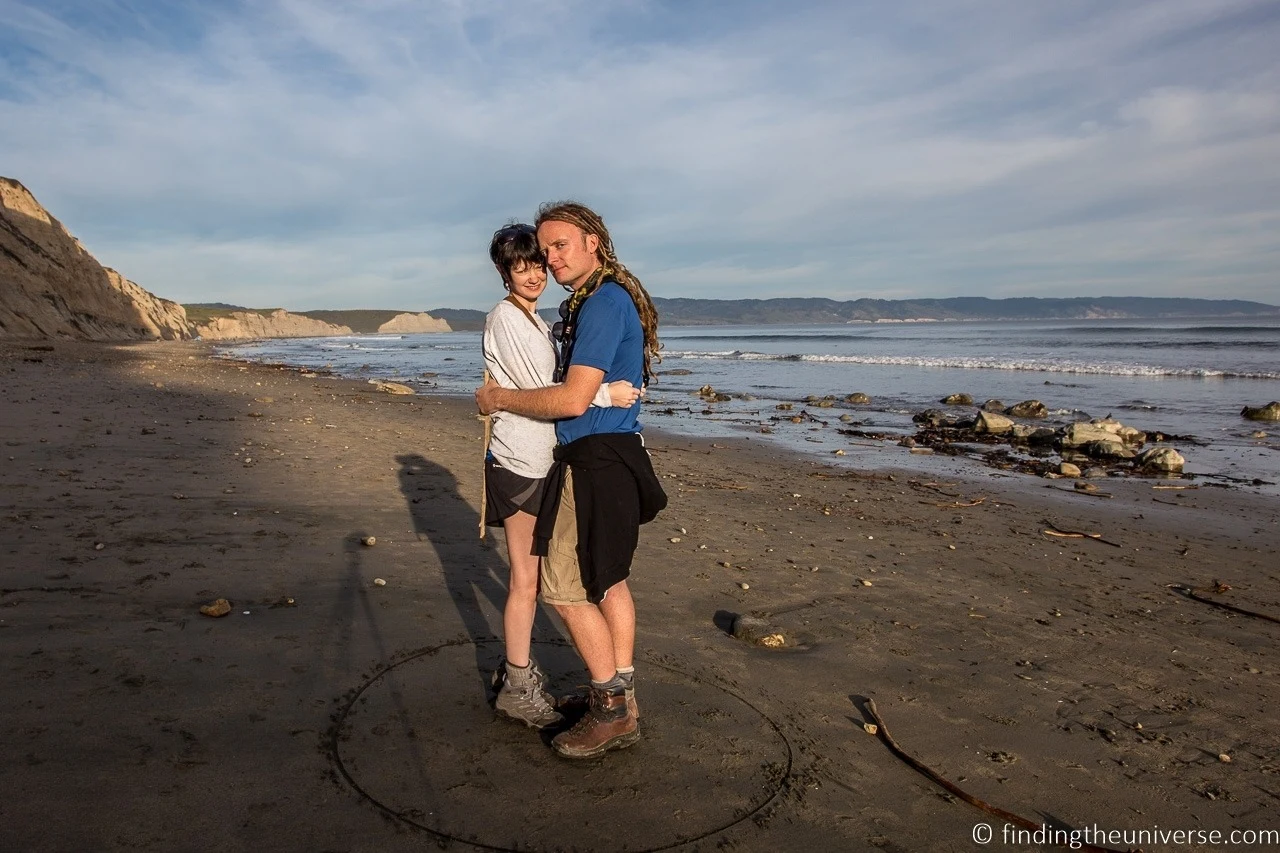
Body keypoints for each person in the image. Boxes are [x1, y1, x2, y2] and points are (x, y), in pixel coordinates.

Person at [476, 201, 666, 759]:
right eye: (541, 251)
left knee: (563, 586)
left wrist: (496, 398)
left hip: (595, 457)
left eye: (559, 248)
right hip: (607, 451)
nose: (549, 261)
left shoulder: (602, 303)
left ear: (594, 243)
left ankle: (611, 710)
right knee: (607, 579)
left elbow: (570, 396)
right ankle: (620, 698)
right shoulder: (583, 304)